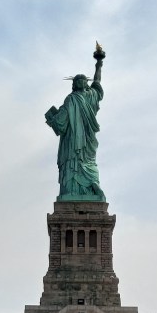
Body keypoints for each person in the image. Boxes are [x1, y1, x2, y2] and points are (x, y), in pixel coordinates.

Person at [45, 44, 106, 200]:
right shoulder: (88, 96)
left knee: (77, 161)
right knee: (87, 162)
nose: (80, 82)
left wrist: (51, 118)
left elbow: (59, 123)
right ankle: (91, 186)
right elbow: (98, 80)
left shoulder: (72, 99)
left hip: (77, 141)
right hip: (82, 139)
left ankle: (74, 190)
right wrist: (99, 63)